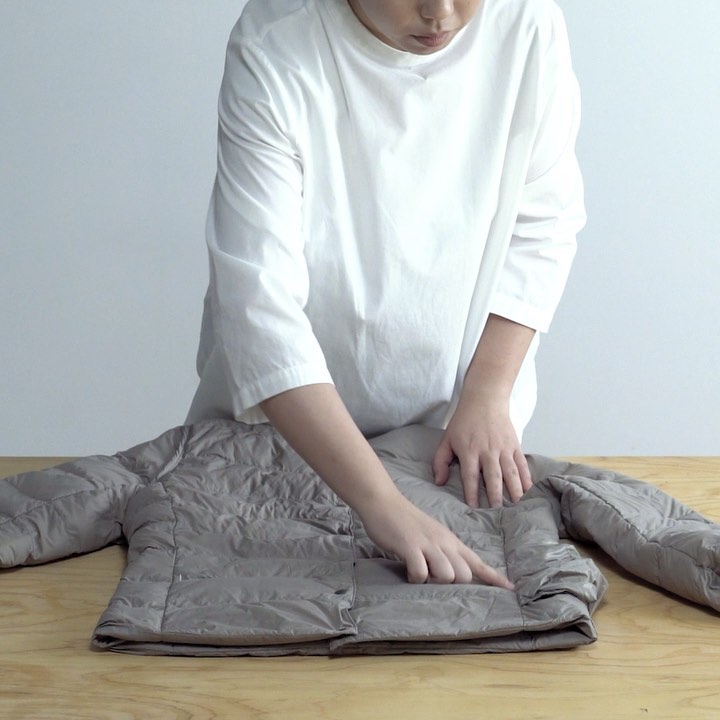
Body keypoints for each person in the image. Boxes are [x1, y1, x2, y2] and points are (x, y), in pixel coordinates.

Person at [188, 0, 585, 587]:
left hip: (449, 438)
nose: (440, 12)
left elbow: (543, 223)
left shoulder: (526, 22)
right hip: (282, 439)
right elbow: (259, 306)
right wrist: (381, 504)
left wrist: (488, 394)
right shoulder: (278, 44)